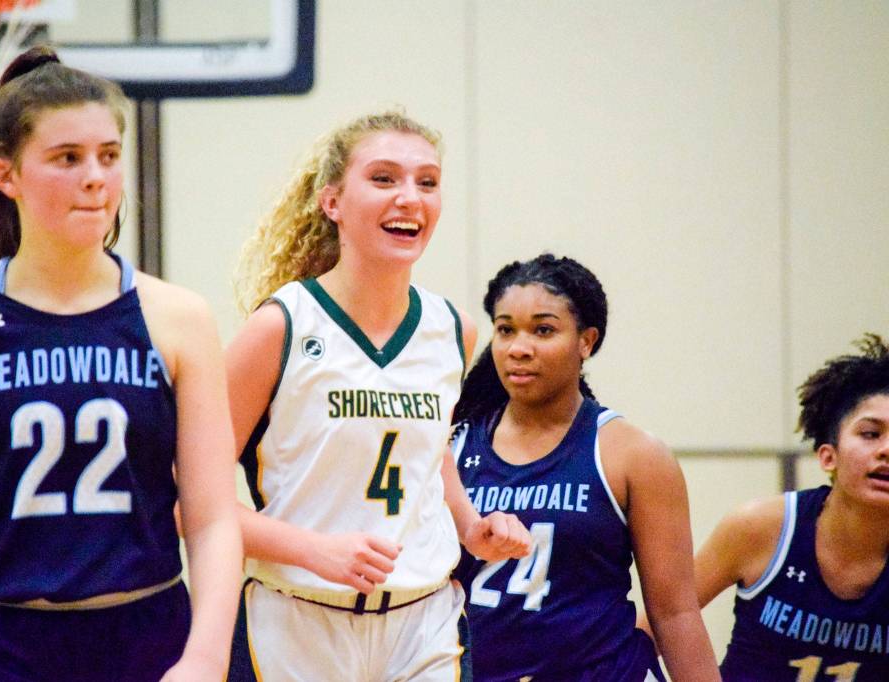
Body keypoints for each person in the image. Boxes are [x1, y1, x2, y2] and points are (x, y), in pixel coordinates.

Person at [0, 46, 242, 682]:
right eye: (67, 159)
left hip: (142, 637)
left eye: (108, 156)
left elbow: (212, 521)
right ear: (6, 176)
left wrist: (207, 658)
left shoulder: (178, 319)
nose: (95, 177)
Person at [225, 110, 531, 681]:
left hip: (424, 624)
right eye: (384, 178)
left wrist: (470, 526)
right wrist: (311, 549)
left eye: (427, 182)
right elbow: (183, 496)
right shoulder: (282, 327)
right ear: (332, 202)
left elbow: (427, 450)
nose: (409, 197)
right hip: (297, 620)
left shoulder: (453, 329)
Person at [451, 253, 720, 681]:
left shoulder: (633, 454)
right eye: (505, 330)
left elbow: (675, 613)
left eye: (543, 330)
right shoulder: (452, 445)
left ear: (586, 341)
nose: (519, 348)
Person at [691, 333, 889, 681]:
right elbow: (657, 625)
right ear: (828, 456)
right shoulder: (760, 527)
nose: (886, 450)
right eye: (871, 434)